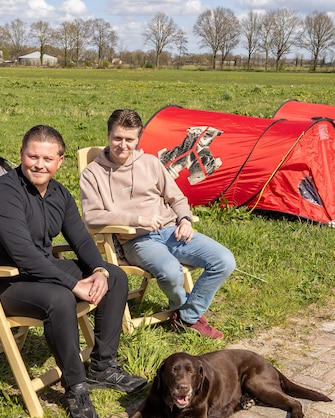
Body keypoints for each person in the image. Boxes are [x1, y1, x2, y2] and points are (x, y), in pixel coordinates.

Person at [0, 124, 146, 418]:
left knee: (116, 277)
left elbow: (80, 240)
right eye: (33, 156)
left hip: (41, 271)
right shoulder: (4, 193)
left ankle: (103, 367)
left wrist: (99, 270)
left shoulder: (59, 194)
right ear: (21, 154)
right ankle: (76, 387)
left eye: (47, 159)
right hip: (2, 282)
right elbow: (23, 255)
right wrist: (73, 284)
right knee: (60, 299)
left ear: (60, 161)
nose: (39, 165)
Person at [80, 109, 236, 340]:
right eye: (117, 138)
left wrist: (185, 220)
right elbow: (92, 216)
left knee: (224, 261)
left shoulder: (150, 163)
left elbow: (177, 198)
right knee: (171, 272)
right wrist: (137, 220)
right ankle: (188, 315)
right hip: (136, 240)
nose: (123, 145)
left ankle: (187, 316)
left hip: (172, 231)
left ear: (138, 137)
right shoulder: (93, 173)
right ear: (108, 135)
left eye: (129, 139)